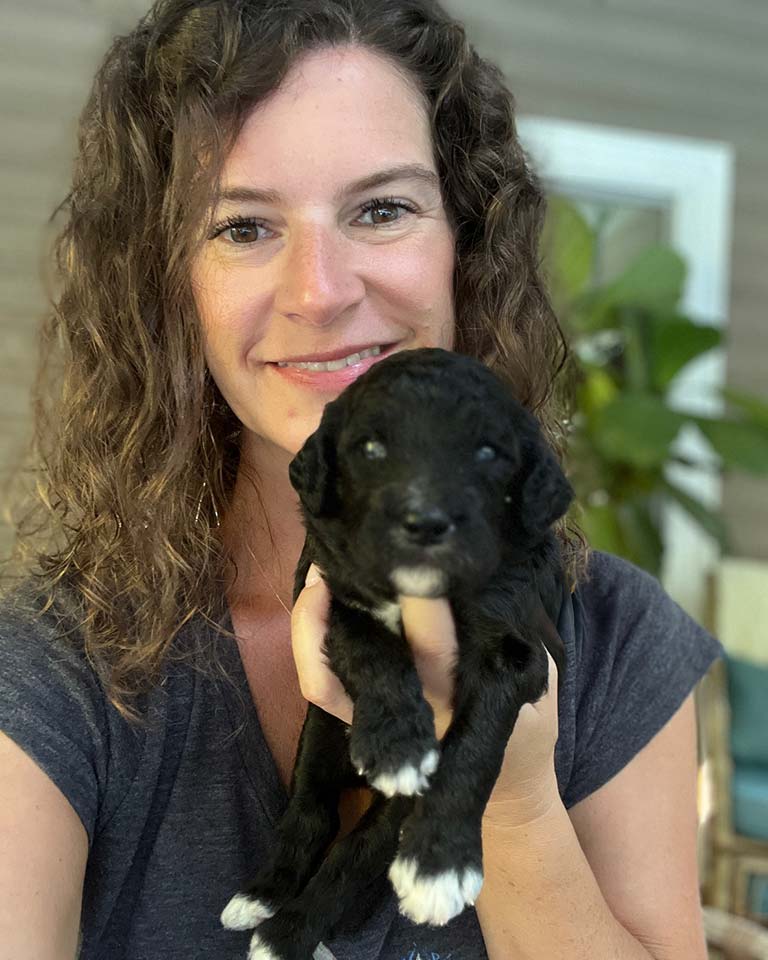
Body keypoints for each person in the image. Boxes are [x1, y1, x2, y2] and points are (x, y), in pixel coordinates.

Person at [0, 0, 723, 958]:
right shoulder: (58, 669)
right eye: (244, 227)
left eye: (382, 209)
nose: (320, 291)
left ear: (465, 246)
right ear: (167, 284)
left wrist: (509, 806)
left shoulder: (621, 643)